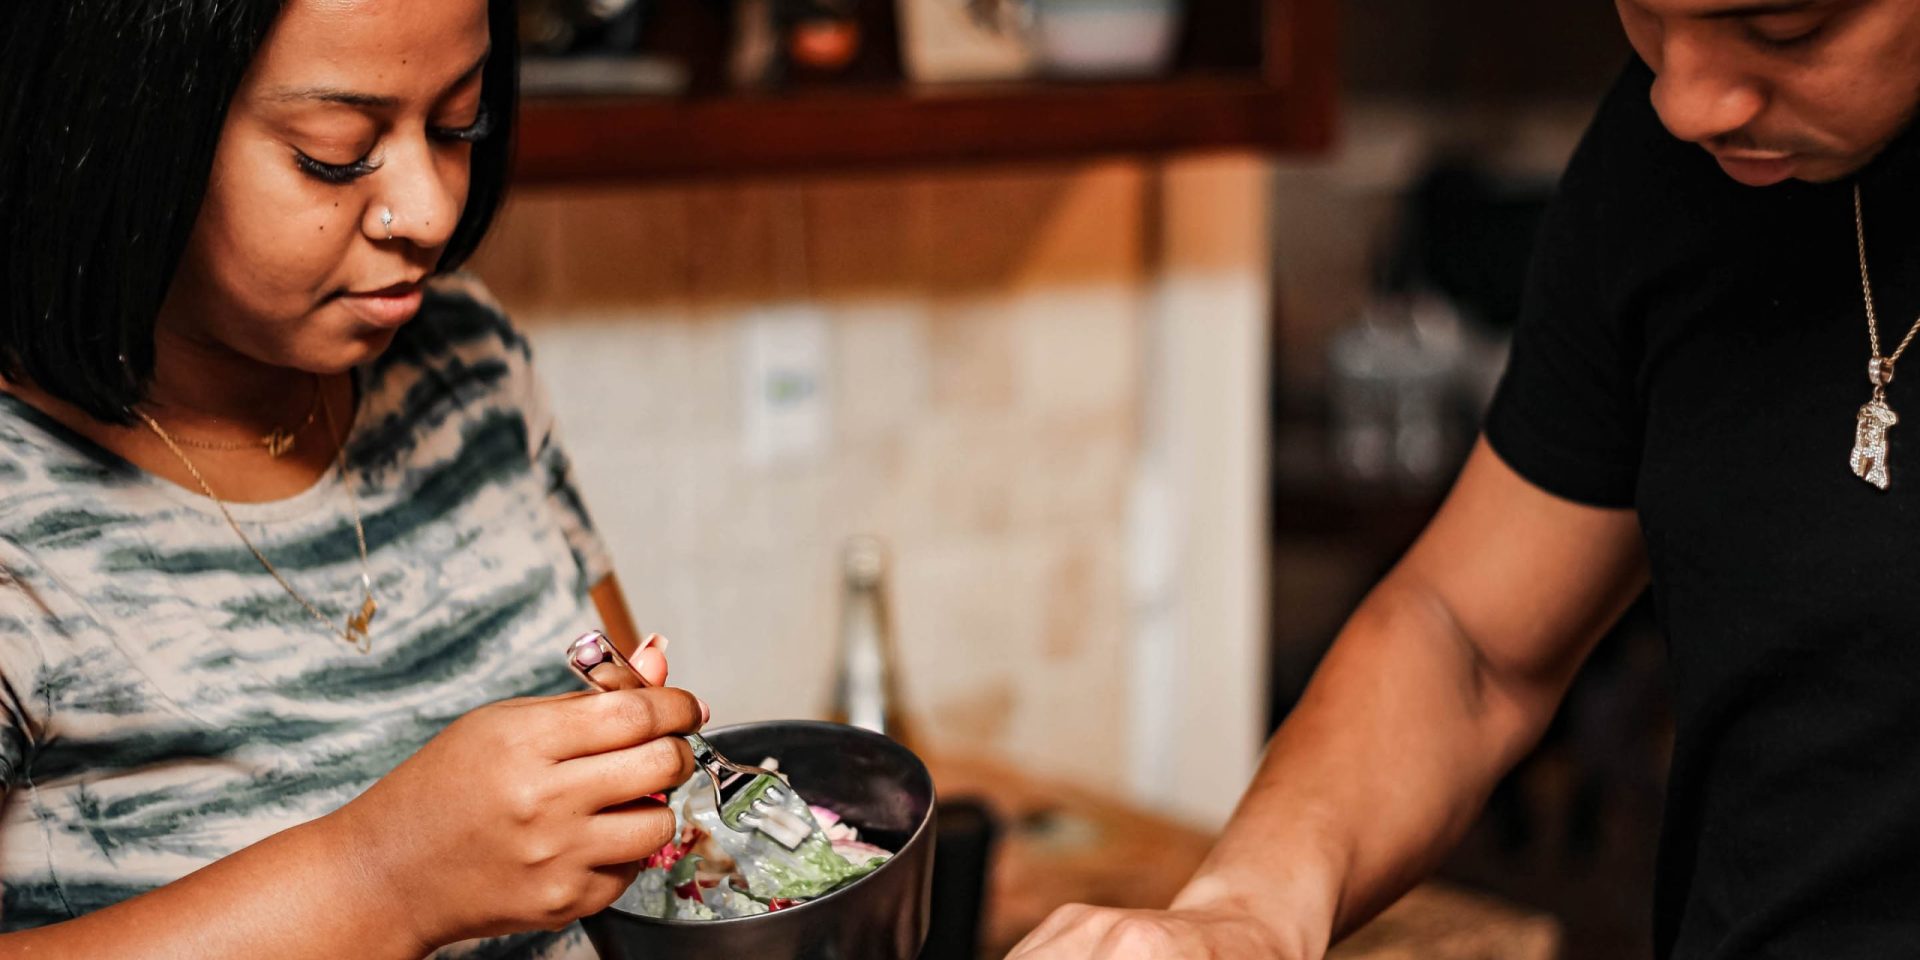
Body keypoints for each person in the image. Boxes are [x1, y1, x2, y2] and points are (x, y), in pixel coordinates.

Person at [1010, 1, 1920, 957]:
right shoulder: (1665, 163)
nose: (1684, 103)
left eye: (1782, 30)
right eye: (1646, 15)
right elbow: (1469, 640)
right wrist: (1246, 908)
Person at [0, 1, 708, 957]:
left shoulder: (462, 360)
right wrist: (382, 877)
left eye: (459, 125)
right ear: (127, 125)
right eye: (335, 154)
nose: (431, 212)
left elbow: (655, 818)